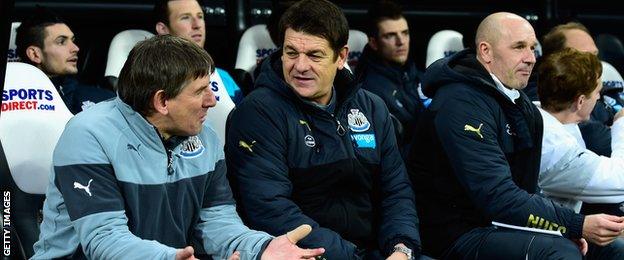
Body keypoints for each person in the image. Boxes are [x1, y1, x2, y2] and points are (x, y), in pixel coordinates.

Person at [31, 35, 324, 260]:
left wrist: (261, 248)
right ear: (161, 102)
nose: (212, 101)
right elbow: (104, 242)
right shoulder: (88, 134)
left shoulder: (205, 137)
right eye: (200, 91)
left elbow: (217, 223)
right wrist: (170, 257)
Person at [407, 12, 624, 259]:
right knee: (560, 252)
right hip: (454, 234)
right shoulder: (459, 103)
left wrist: (559, 228)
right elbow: (497, 197)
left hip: (501, 224)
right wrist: (574, 224)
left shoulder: (520, 103)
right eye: (519, 47)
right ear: (486, 51)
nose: (531, 58)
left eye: (532, 48)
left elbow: (527, 190)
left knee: (612, 250)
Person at [225, 0, 421, 259]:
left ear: (341, 57)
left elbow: (396, 190)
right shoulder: (257, 113)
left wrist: (402, 248)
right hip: (310, 254)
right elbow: (271, 209)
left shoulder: (372, 107)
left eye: (314, 55)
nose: (300, 66)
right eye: (291, 52)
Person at [537, 48, 624, 259]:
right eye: (597, 92)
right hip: (541, 235)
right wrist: (621, 122)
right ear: (580, 101)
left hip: (563, 227)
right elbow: (619, 180)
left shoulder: (548, 114)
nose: (599, 98)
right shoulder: (555, 149)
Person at [529, 22, 618, 156]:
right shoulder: (546, 91)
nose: (595, 63)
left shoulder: (596, 82)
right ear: (558, 61)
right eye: (584, 57)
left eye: (595, 55)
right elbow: (596, 139)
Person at [355, 0, 429, 157]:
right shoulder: (366, 92)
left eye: (405, 33)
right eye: (390, 36)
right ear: (374, 43)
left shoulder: (420, 76)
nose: (401, 42)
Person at [15, 7, 115, 114]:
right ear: (35, 54)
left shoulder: (105, 100)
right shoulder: (13, 102)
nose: (75, 48)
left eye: (73, 40)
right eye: (61, 42)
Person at [154, 0, 243, 104]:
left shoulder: (223, 78)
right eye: (185, 17)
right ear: (163, 29)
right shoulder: (152, 79)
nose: (197, 25)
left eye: (200, 16)